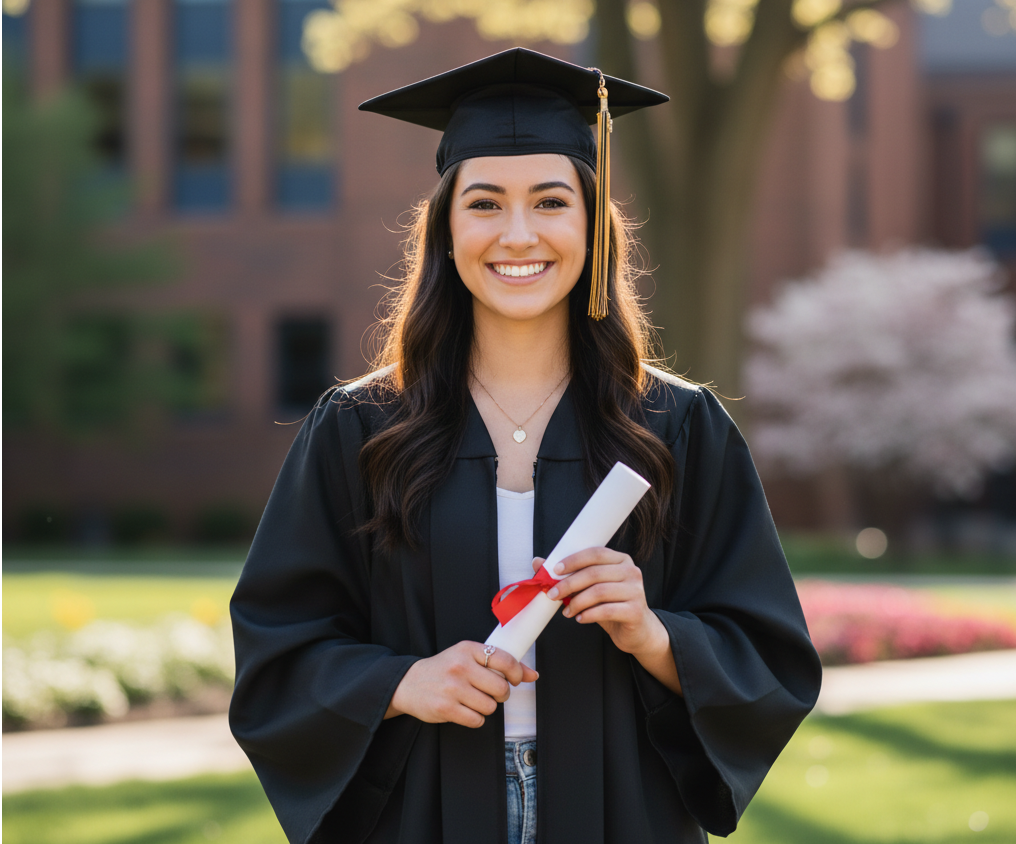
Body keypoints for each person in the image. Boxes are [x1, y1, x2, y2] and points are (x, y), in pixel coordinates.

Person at [229, 48, 821, 844]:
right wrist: (403, 682)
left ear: (592, 224)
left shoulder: (676, 428)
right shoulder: (361, 428)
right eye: (484, 204)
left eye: (550, 202)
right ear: (444, 228)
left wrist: (653, 633)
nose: (517, 234)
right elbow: (279, 649)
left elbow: (769, 657)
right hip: (423, 815)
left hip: (621, 813)